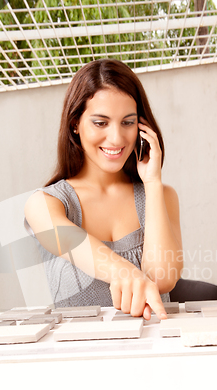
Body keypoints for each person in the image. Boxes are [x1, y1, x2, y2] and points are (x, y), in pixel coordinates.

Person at [24, 59, 182, 320]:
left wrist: (152, 183)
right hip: (81, 355)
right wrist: (126, 272)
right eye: (100, 123)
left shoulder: (163, 196)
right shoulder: (45, 204)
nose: (117, 138)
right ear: (75, 123)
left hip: (154, 349)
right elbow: (79, 247)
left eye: (128, 122)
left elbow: (162, 280)